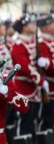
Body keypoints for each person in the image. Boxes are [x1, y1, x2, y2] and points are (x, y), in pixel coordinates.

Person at [11, 14, 50, 143]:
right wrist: (41, 80)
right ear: (24, 28)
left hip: (35, 89)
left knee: (32, 121)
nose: (34, 25)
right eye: (31, 24)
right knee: (24, 123)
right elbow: (25, 68)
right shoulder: (18, 44)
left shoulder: (33, 41)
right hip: (24, 90)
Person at [36, 14, 54, 142]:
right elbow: (48, 68)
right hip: (50, 87)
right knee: (47, 119)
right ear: (46, 27)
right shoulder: (42, 43)